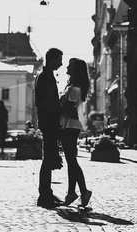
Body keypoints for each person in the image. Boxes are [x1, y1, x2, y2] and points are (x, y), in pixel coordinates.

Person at [59, 58, 92, 207]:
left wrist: (55, 106)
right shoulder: (72, 87)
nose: (67, 67)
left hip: (69, 127)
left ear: (75, 70)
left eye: (70, 66)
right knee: (71, 161)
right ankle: (71, 192)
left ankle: (83, 191)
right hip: (70, 126)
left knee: (72, 161)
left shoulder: (74, 89)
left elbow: (70, 110)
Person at [34, 47, 63, 208]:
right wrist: (60, 109)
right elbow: (46, 103)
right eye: (59, 60)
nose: (61, 63)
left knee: (49, 158)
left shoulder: (46, 75)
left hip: (48, 121)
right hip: (49, 121)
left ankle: (47, 192)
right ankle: (44, 195)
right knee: (48, 159)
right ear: (52, 59)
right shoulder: (45, 77)